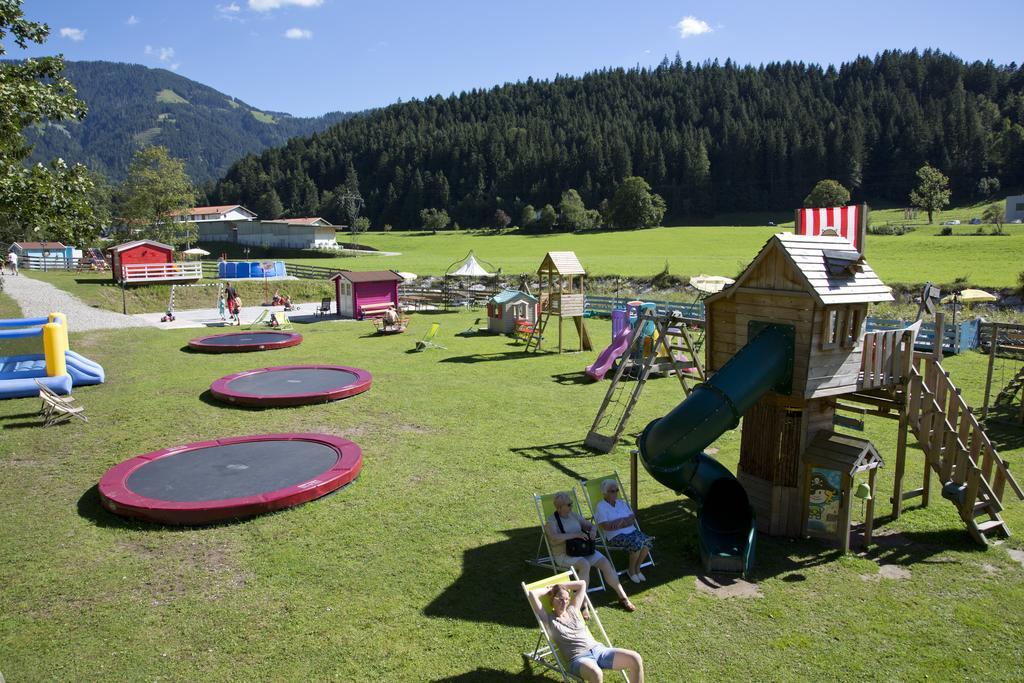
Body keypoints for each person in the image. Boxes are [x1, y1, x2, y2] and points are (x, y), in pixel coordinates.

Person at [526, 579, 645, 683]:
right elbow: (532, 594)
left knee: (635, 658)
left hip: (599, 650)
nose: (564, 602)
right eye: (560, 599)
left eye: (567, 599)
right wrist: (551, 589)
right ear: (552, 599)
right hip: (579, 659)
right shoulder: (548, 619)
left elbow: (582, 584)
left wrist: (561, 585)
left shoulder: (573, 609)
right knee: (596, 673)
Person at [546, 491, 635, 612]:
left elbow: (591, 525)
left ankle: (622, 597)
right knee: (584, 565)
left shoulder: (573, 515)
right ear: (559, 507)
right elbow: (554, 538)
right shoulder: (552, 520)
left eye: (571, 503)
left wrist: (593, 531)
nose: (571, 506)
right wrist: (575, 534)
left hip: (581, 550)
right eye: (569, 504)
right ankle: (582, 604)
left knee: (605, 562)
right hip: (564, 555)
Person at [594, 480, 654, 584]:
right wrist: (624, 521)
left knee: (647, 542)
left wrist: (619, 522)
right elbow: (606, 526)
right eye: (612, 491)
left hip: (631, 531)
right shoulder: (601, 506)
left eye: (616, 490)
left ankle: (637, 569)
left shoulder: (621, 503)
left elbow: (632, 517)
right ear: (605, 493)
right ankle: (631, 571)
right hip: (615, 535)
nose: (615, 493)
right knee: (637, 544)